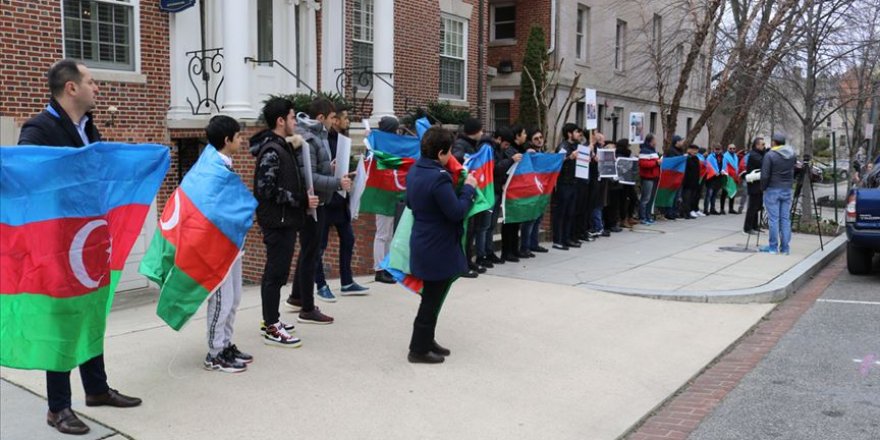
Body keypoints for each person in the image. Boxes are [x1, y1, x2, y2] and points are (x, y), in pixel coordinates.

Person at [17, 59, 142, 436]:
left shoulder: (88, 127)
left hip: (89, 241)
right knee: (62, 321)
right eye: (90, 82)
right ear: (71, 88)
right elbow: (28, 177)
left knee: (90, 314)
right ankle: (58, 408)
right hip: (57, 245)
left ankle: (97, 390)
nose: (96, 88)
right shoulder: (38, 129)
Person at [406, 126, 477, 364]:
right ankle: (418, 349)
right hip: (436, 245)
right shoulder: (438, 177)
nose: (451, 158)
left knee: (433, 297)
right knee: (431, 300)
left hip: (424, 240)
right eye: (449, 153)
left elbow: (409, 202)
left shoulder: (416, 169)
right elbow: (456, 212)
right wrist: (469, 190)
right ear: (440, 153)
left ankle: (427, 340)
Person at [251, 97, 315, 346]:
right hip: (277, 222)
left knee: (278, 274)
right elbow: (265, 189)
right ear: (280, 121)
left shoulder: (282, 146)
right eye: (291, 117)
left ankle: (272, 318)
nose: (295, 122)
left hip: (285, 220)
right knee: (274, 275)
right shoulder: (272, 150)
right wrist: (300, 200)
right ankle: (271, 326)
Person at [285, 98, 351, 323]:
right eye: (332, 117)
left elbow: (315, 169)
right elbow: (309, 177)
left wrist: (330, 169)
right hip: (311, 204)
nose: (335, 122)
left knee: (308, 251)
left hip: (318, 202)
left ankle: (296, 297)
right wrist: (337, 183)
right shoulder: (309, 139)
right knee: (310, 253)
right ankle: (307, 308)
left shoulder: (317, 136)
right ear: (321, 118)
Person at [199, 115, 254, 373]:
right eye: (238, 136)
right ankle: (215, 353)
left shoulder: (223, 164)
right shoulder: (213, 168)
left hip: (232, 243)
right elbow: (211, 207)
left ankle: (226, 344)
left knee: (234, 298)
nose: (241, 140)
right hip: (219, 246)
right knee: (221, 299)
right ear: (227, 140)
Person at [314, 106, 369, 301]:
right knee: (320, 245)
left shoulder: (342, 141)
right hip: (326, 198)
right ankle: (320, 284)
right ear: (334, 120)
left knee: (348, 239)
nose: (348, 121)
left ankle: (347, 282)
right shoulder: (321, 141)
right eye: (344, 118)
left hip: (340, 197)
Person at [452, 118, 486, 277]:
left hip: (473, 190)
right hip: (464, 191)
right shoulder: (460, 144)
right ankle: (463, 264)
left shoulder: (475, 145)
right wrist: (468, 157)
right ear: (474, 131)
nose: (482, 133)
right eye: (480, 130)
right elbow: (457, 157)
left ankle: (469, 260)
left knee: (472, 230)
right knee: (466, 230)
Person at [372, 116, 402, 284]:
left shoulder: (389, 147)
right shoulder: (379, 148)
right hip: (382, 195)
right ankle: (379, 269)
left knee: (389, 233)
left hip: (391, 194)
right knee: (382, 233)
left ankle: (387, 266)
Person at [760, 133, 797, 255]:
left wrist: (763, 188)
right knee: (785, 219)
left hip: (772, 189)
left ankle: (773, 247)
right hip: (786, 188)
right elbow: (794, 170)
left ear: (774, 142)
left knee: (774, 219)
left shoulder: (770, 155)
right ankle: (785, 248)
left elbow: (765, 175)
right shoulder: (792, 155)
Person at [500, 126, 529, 259]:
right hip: (510, 190)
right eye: (523, 133)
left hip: (519, 190)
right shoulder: (509, 151)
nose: (525, 135)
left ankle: (514, 248)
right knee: (509, 223)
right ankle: (507, 251)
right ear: (517, 136)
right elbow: (506, 168)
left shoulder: (522, 149)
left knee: (516, 221)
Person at [552, 124, 582, 250]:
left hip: (573, 182)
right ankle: (558, 240)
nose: (578, 134)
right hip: (564, 183)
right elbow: (557, 161)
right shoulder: (563, 146)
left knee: (570, 212)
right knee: (562, 212)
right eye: (576, 132)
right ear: (569, 134)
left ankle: (567, 238)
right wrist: (570, 157)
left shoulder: (575, 146)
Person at [522, 129, 551, 252]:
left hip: (542, 190)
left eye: (540, 137)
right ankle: (525, 246)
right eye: (536, 139)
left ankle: (534, 244)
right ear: (530, 141)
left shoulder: (542, 152)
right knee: (529, 219)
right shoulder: (529, 153)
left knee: (538, 218)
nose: (539, 140)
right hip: (531, 190)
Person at [743, 137, 766, 234]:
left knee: (757, 206)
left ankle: (755, 226)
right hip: (754, 185)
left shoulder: (759, 154)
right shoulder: (754, 155)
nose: (764, 146)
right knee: (752, 207)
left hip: (759, 184)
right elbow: (763, 163)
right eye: (763, 144)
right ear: (757, 145)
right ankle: (748, 228)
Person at [638, 134, 661, 224]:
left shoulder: (653, 151)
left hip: (654, 176)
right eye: (655, 140)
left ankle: (648, 216)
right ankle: (642, 217)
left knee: (651, 198)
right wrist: (656, 163)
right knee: (646, 198)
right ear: (651, 141)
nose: (656, 142)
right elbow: (643, 164)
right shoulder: (644, 151)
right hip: (647, 177)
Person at [588, 132, 607, 236]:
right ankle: (597, 226)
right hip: (595, 180)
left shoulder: (600, 150)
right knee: (596, 205)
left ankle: (599, 225)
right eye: (602, 140)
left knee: (598, 204)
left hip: (600, 181)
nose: (604, 143)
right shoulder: (593, 149)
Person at [663, 135, 684, 220]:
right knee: (672, 195)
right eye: (680, 141)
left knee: (677, 196)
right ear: (676, 142)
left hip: (679, 176)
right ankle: (669, 212)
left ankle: (675, 212)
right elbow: (672, 162)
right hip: (672, 176)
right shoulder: (671, 151)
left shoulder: (680, 151)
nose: (682, 143)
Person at [680, 143, 702, 219]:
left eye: (696, 151)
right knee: (686, 198)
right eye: (694, 150)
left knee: (691, 199)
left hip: (694, 182)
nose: (696, 152)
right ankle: (684, 213)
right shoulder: (686, 158)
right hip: (687, 182)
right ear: (690, 150)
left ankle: (688, 212)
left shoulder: (696, 158)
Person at [704, 145, 725, 215]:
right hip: (711, 178)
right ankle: (706, 209)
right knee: (709, 194)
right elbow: (708, 166)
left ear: (721, 150)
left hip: (718, 178)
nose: (717, 150)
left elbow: (724, 166)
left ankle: (712, 209)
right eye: (716, 149)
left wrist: (722, 170)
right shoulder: (710, 157)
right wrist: (714, 172)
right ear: (714, 149)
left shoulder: (722, 157)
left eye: (719, 149)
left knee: (714, 194)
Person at [720, 144, 739, 214]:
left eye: (733, 148)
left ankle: (731, 208)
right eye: (730, 148)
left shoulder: (736, 156)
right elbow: (724, 166)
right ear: (728, 148)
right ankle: (722, 209)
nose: (732, 150)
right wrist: (725, 174)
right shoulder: (725, 156)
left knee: (733, 192)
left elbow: (736, 166)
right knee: (724, 192)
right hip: (727, 176)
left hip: (734, 176)